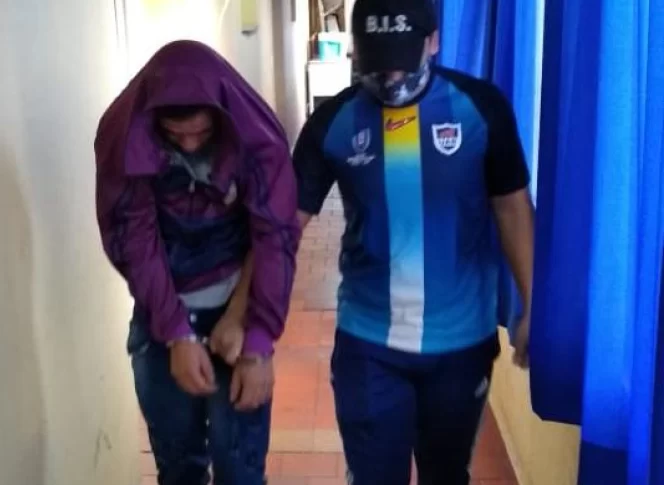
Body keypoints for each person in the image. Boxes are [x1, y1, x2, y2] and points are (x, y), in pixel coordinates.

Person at [291, 0, 535, 484]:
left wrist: (534, 303)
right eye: (379, 63)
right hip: (369, 340)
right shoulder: (332, 124)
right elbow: (285, 226)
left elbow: (512, 208)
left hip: (461, 343)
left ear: (434, 41)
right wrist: (254, 324)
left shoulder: (481, 109)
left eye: (404, 59)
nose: (392, 76)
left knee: (446, 475)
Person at [94, 40, 300, 485]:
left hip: (238, 311)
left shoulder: (257, 137)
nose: (188, 144)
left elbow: (275, 235)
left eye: (202, 133)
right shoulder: (123, 135)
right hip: (161, 313)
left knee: (241, 472)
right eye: (175, 134)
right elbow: (135, 241)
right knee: (178, 470)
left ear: (222, 119)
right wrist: (175, 332)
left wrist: (257, 338)